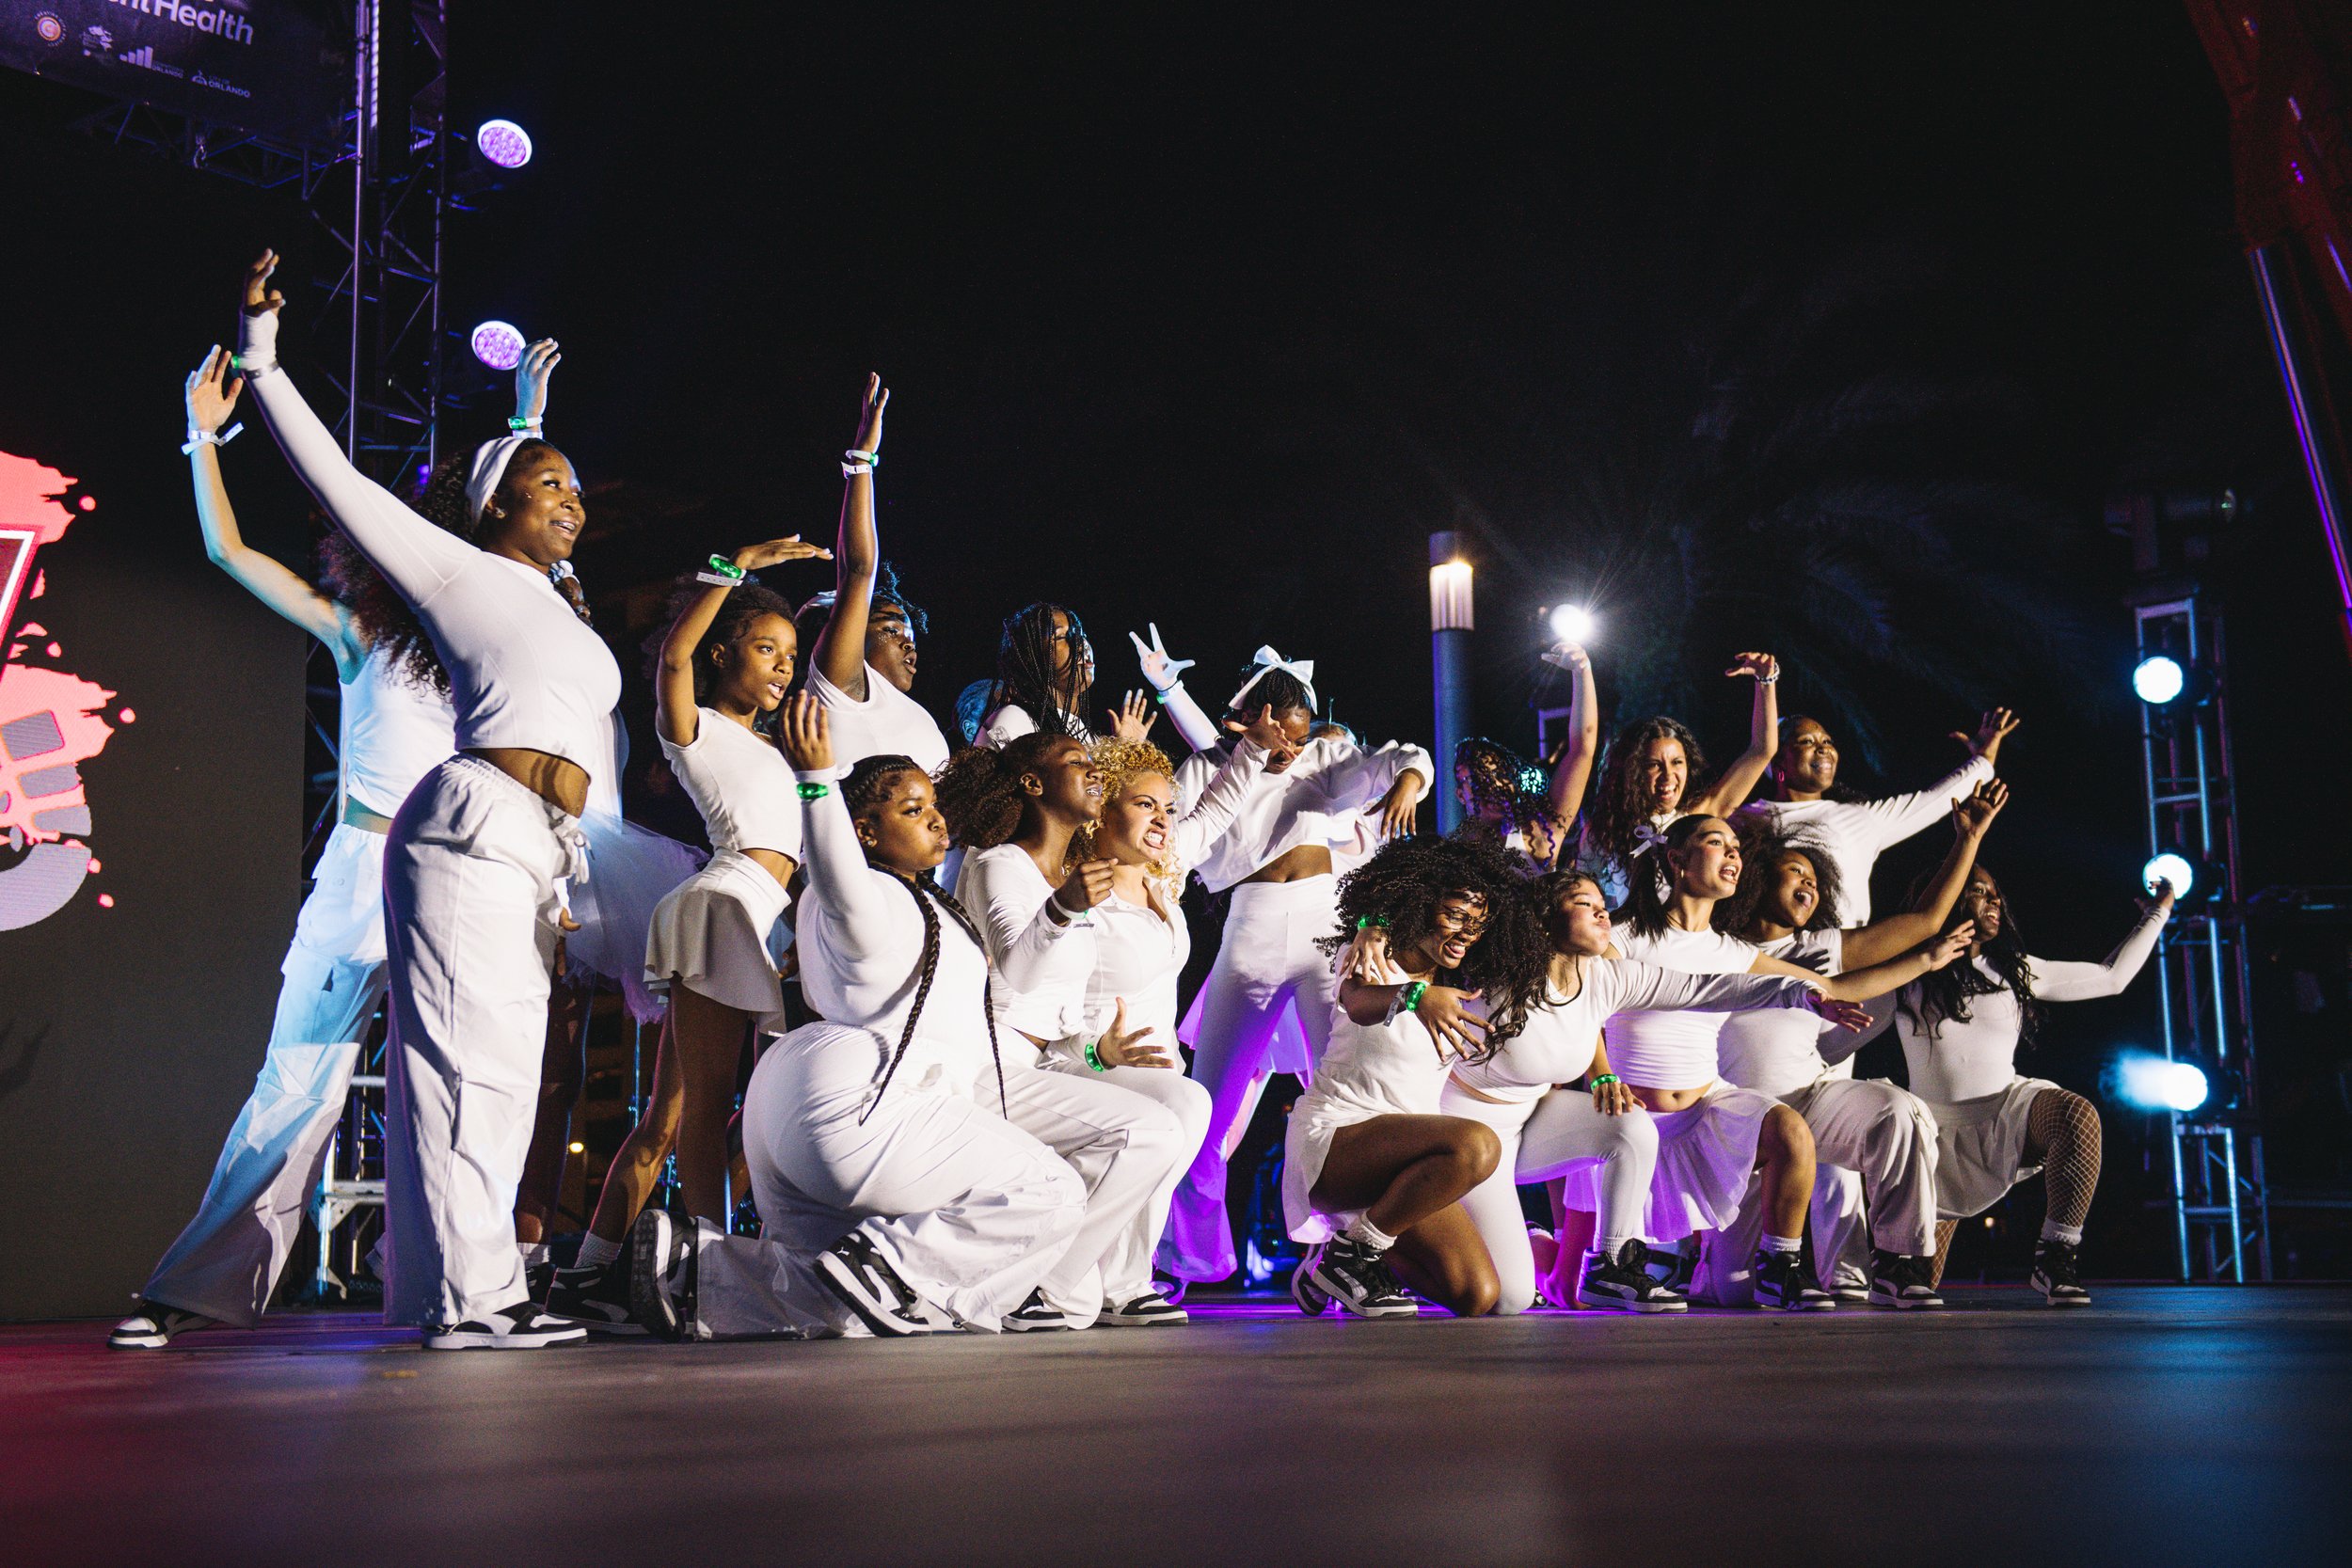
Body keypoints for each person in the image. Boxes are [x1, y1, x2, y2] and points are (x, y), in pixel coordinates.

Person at [234, 249, 608, 1348]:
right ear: (494, 503)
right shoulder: (454, 569)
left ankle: (461, 1288)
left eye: (578, 489)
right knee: (456, 1065)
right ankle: (464, 1299)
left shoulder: (561, 606)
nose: (572, 503)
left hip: (537, 849)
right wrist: (263, 362)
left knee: (504, 1075)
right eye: (547, 486)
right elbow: (339, 484)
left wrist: (532, 415)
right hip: (461, 826)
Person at [110, 346, 458, 1350]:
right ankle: (192, 1287)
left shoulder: (481, 650)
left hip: (460, 879)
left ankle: (456, 1291)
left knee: (460, 1081)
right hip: (361, 874)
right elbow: (228, 553)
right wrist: (203, 437)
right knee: (296, 1073)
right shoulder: (358, 632)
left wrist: (525, 425)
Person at [630, 700, 1087, 1338]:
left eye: (933, 805)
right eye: (911, 808)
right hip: (858, 1102)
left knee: (835, 1299)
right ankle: (895, 1269)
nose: (934, 817)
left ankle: (704, 1274)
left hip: (786, 1096)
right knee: (1053, 1190)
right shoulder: (864, 895)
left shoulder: (897, 899)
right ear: (865, 831)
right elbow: (839, 870)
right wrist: (816, 784)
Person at [545, 544, 831, 1329]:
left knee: (675, 1118)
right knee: (705, 1106)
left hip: (767, 925)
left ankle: (594, 1268)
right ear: (723, 651)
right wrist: (727, 568)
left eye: (789, 655)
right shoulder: (696, 729)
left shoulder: (779, 748)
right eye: (765, 649)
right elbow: (672, 657)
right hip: (721, 910)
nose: (781, 668)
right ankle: (713, 1269)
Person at [939, 727, 1271, 1326]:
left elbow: (1059, 1010)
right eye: (1079, 765)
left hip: (1061, 1057)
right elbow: (1021, 969)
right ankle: (1042, 1281)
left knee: (1188, 1104)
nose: (1090, 774)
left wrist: (1095, 1051)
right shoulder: (1008, 867)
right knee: (1153, 1128)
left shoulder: (1088, 880)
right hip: (994, 1059)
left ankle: (1103, 1278)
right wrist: (1066, 908)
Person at [1589, 813, 1972, 1308]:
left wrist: (1924, 960)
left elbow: (1830, 987)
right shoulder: (1628, 936)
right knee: (1724, 1290)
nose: (1732, 854)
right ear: (1676, 859)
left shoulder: (1730, 951)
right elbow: (1586, 1007)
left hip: (1712, 1110)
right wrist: (1603, 1075)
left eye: (1734, 847)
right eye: (1716, 843)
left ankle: (1785, 1265)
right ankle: (1660, 1267)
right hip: (1643, 1120)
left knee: (1796, 1128)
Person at [1440, 868, 1861, 1313]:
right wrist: (1404, 981)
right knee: (1507, 1298)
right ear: (1544, 919)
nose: (1603, 911)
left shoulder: (1605, 978)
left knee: (1630, 1124)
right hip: (1468, 1138)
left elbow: (1703, 988)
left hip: (1529, 1125)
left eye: (1603, 903)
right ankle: (1407, 1240)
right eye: (1585, 903)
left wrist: (1798, 993)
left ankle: (1610, 1264)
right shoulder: (1490, 974)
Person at [1159, 647, 1433, 1284]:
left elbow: (1403, 755)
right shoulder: (1204, 770)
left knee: (1348, 1090)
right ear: (1252, 717)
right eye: (1281, 725)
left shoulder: (1323, 760)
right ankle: (1186, 1254)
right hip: (1249, 929)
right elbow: (1176, 848)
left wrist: (1410, 783)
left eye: (1302, 725)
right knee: (1208, 1107)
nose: (1293, 740)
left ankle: (1344, 1252)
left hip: (1322, 931)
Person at [1704, 779, 2010, 1307]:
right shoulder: (1715, 947)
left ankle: (1897, 1260)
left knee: (1899, 1111)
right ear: (1758, 876)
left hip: (1807, 1102)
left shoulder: (1819, 946)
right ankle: (1708, 1265)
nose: (1810, 886)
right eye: (1795, 871)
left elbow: (1923, 922)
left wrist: (1967, 840)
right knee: (1729, 1292)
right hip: (1735, 1122)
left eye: (1815, 879)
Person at [1282, 835, 1548, 1318]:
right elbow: (1360, 1004)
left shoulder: (1453, 989)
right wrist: (1412, 995)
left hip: (1405, 1172)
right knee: (1478, 1144)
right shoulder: (1371, 953)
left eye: (1478, 924)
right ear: (1420, 905)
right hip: (1337, 1145)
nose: (1468, 932)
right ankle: (1353, 1255)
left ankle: (1341, 1254)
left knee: (1477, 1295)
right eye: (1455, 916)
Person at [1895, 865, 2173, 1305]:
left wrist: (2156, 914)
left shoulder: (2016, 971)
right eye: (1980, 892)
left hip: (2006, 1115)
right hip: (1932, 1138)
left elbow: (2112, 978)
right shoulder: (1905, 973)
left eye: (1996, 894)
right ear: (1944, 897)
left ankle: (2056, 1255)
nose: (1995, 902)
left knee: (2075, 1114)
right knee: (1913, 1292)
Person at [1732, 708, 2016, 925]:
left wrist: (1983, 762)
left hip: (1844, 958)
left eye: (1828, 741)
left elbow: (1933, 800)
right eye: (1806, 741)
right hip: (1773, 958)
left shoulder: (1860, 818)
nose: (1824, 748)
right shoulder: (1745, 820)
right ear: (1777, 759)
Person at [798, 376, 951, 775]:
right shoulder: (839, 689)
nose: (909, 647)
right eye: (890, 630)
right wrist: (861, 463)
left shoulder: (898, 706)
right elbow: (859, 571)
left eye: (909, 636)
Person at [1575, 651, 1781, 905]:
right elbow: (1583, 895)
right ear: (1632, 771)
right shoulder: (1603, 830)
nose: (1668, 776)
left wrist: (1766, 681)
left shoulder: (1698, 818)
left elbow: (1762, 751)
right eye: (1653, 765)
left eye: (1677, 763)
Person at [1451, 639, 1598, 870]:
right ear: (1460, 794)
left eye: (1500, 775)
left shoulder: (1540, 833)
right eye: (1479, 778)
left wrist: (1582, 672)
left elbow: (1582, 749)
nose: (1494, 785)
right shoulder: (1455, 856)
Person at [976, 602, 1153, 748]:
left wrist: (1125, 750)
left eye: (1081, 635)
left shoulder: (1085, 735)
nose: (1081, 644)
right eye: (1062, 637)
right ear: (1031, 657)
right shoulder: (1014, 720)